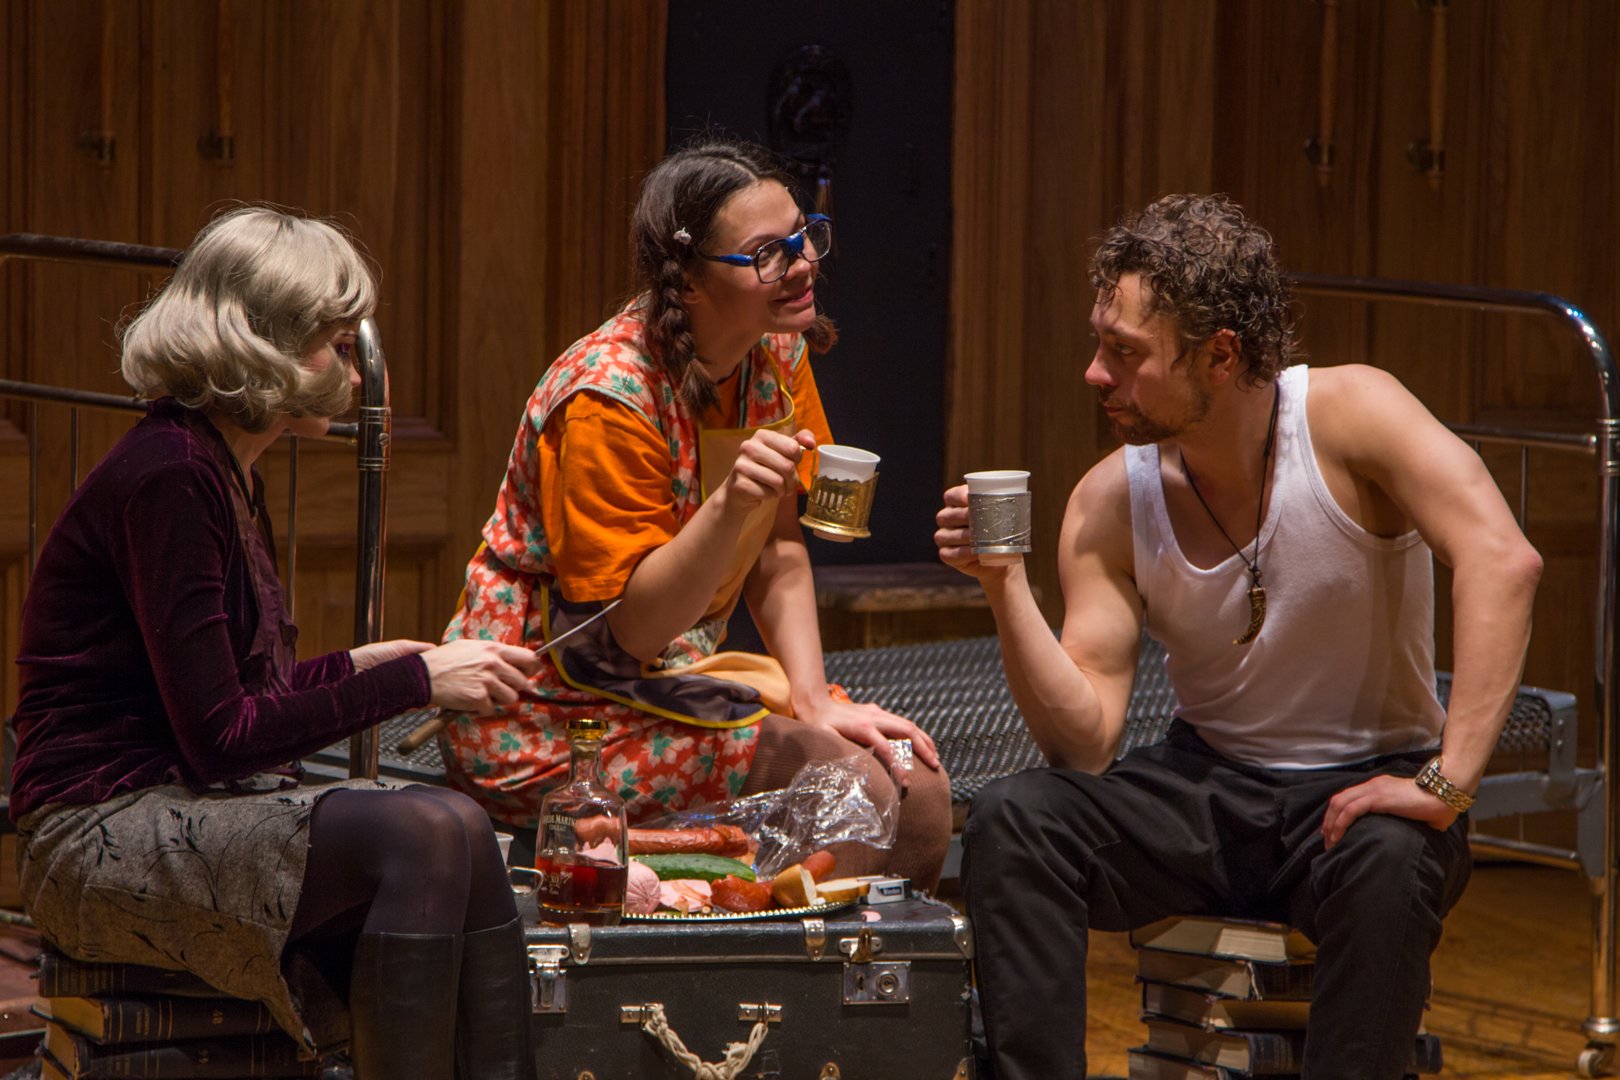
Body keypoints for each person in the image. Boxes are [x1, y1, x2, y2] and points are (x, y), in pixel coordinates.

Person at [934, 194, 1543, 1079]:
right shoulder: (1110, 498)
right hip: (1206, 787)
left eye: (1125, 352)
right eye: (1099, 344)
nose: (1095, 374)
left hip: (1362, 787)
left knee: (1392, 857)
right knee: (1017, 818)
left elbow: (1504, 560)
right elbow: (1084, 743)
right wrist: (1004, 588)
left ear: (1220, 355)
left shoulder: (1350, 414)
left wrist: (1447, 782)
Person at [9, 206, 544, 1080]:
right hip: (94, 832)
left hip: (169, 801)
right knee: (422, 829)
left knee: (461, 823)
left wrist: (358, 668)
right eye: (335, 346)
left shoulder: (215, 467)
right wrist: (415, 681)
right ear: (263, 345)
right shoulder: (172, 475)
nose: (355, 373)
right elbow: (222, 739)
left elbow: (226, 694)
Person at [440, 138, 950, 890]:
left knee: (917, 791)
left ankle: (844, 958)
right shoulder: (608, 397)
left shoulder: (775, 353)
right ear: (688, 281)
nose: (803, 263)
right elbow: (631, 633)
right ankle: (775, 954)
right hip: (548, 709)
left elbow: (777, 547)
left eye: (804, 235)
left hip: (665, 679)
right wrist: (727, 507)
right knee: (858, 792)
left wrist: (814, 702)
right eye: (768, 253)